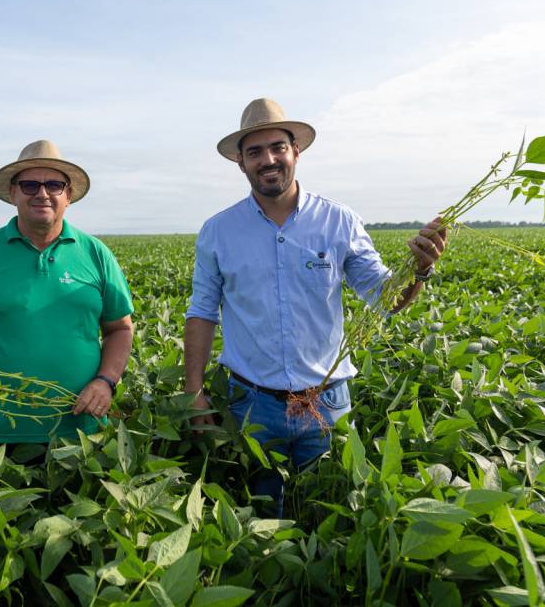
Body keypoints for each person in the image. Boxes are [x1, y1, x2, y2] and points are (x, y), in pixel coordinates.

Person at [184, 98, 446, 515]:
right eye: (254, 152)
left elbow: (386, 299)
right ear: (241, 162)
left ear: (295, 152)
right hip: (251, 403)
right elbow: (201, 312)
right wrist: (194, 392)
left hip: (327, 403)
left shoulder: (338, 221)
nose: (267, 159)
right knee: (261, 516)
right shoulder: (218, 231)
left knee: (331, 515)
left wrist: (418, 270)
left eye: (277, 148)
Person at [0, 140, 134, 446]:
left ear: (68, 195)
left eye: (54, 185)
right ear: (13, 193)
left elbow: (119, 329)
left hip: (83, 432)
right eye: (30, 185)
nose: (42, 193)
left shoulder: (96, 253)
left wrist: (105, 381)